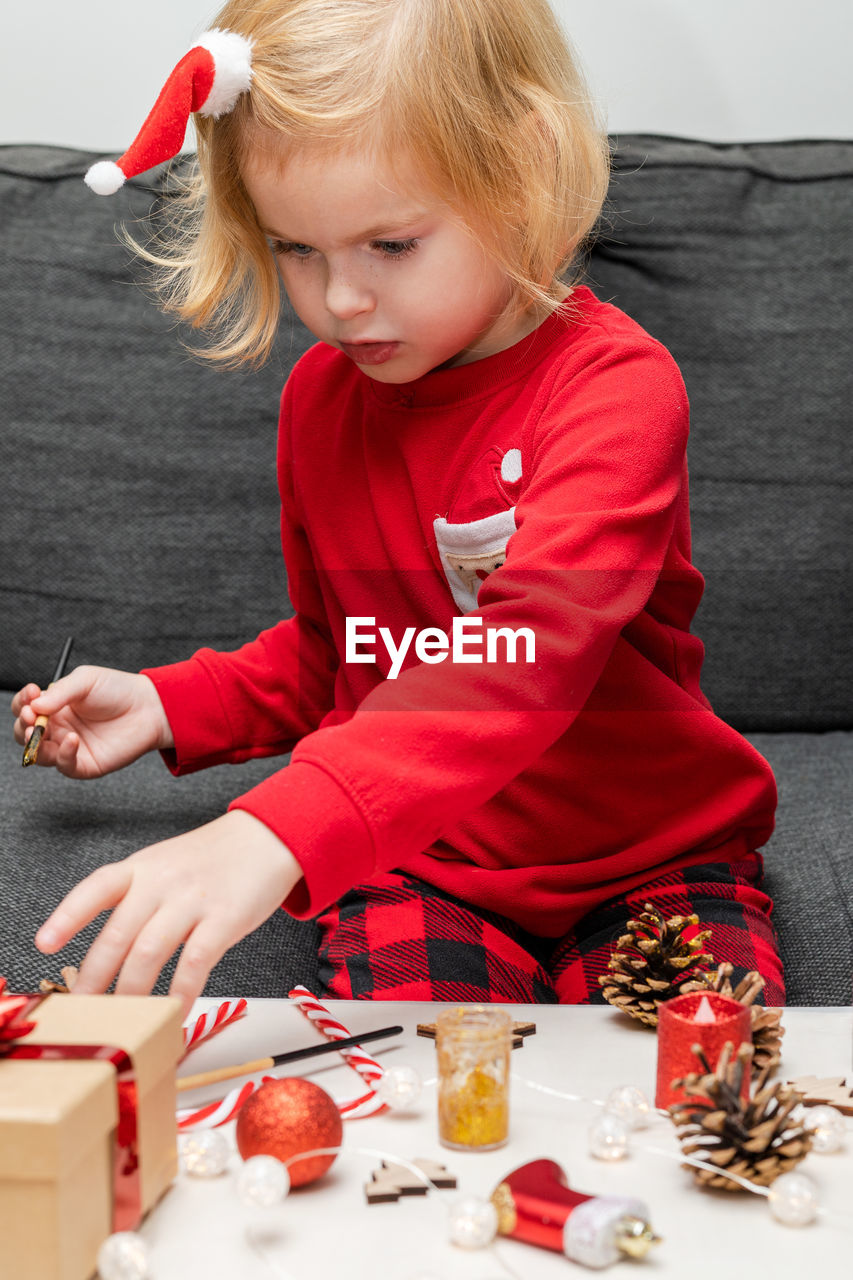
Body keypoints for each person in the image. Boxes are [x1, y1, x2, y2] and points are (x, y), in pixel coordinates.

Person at [11, 0, 784, 1018]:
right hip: (420, 862)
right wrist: (170, 703)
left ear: (522, 172)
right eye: (295, 249)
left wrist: (276, 826)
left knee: (708, 1101)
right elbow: (355, 649)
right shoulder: (320, 403)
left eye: (390, 243)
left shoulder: (613, 390)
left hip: (649, 858)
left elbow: (529, 652)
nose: (340, 302)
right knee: (412, 1123)